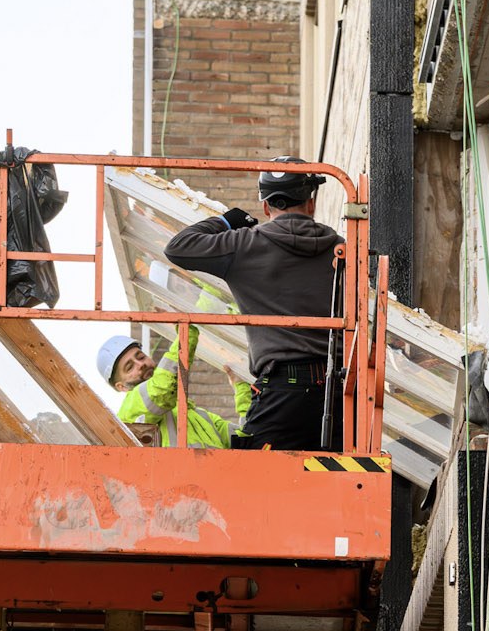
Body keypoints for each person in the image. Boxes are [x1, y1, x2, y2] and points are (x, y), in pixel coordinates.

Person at [163, 167, 342, 450]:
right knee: (344, 483)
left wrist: (226, 221)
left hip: (284, 388)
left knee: (254, 478)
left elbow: (178, 248)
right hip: (340, 389)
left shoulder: (244, 244)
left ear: (265, 205)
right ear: (311, 202)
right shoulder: (340, 248)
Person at [97, 323, 251, 447]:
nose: (140, 365)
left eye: (141, 357)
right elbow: (163, 387)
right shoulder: (129, 413)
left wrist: (242, 388)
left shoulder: (200, 416)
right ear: (121, 387)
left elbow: (246, 441)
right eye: (129, 367)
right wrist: (186, 331)